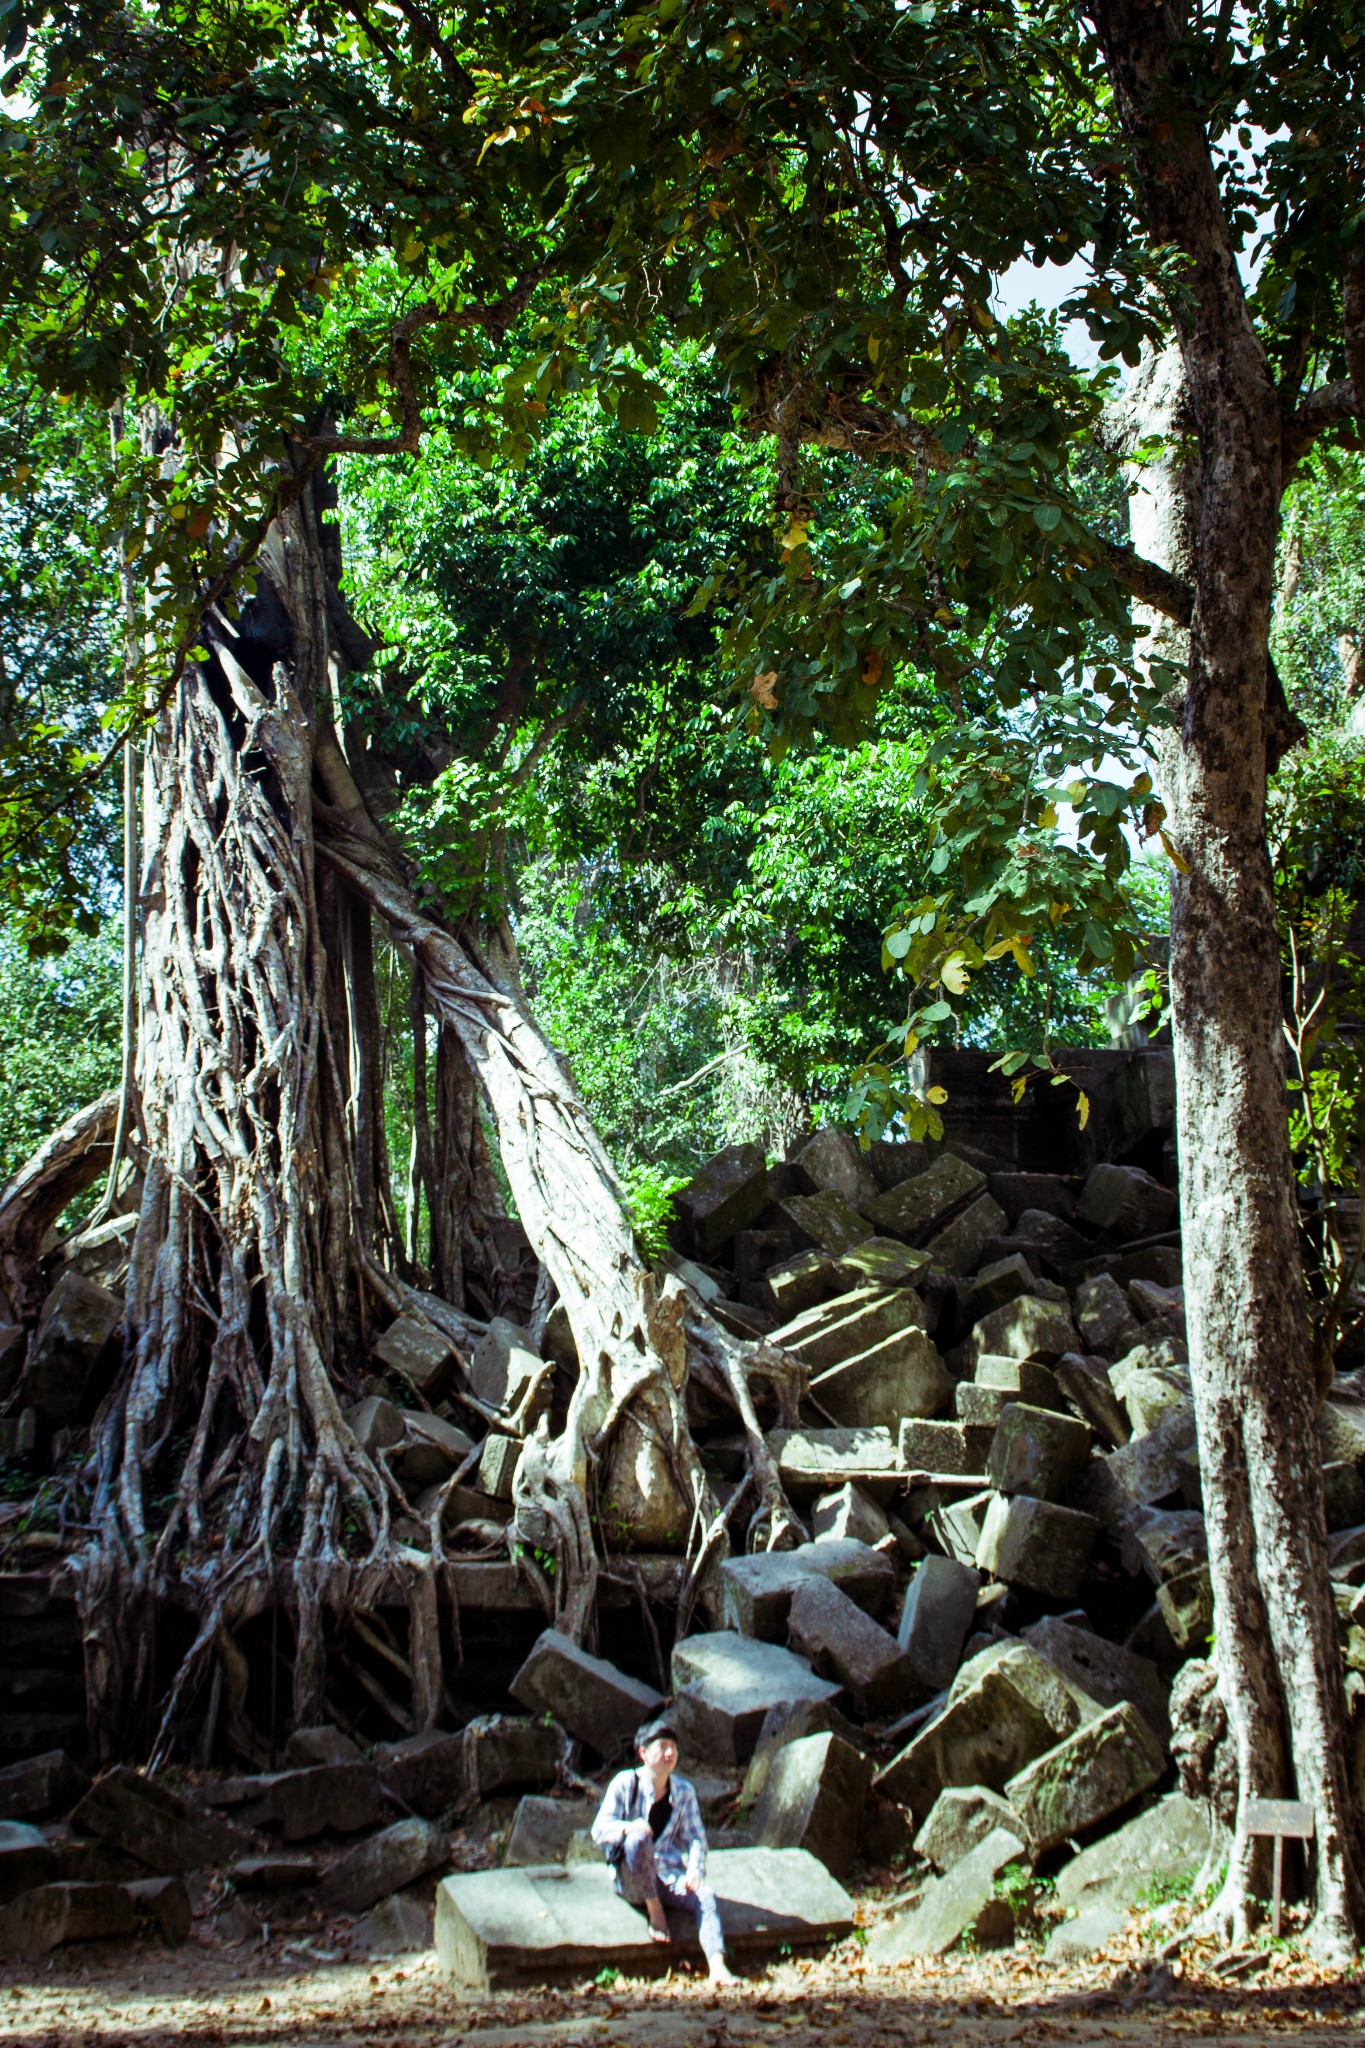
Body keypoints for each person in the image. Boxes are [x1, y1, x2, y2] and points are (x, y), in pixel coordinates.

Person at [591, 1714, 739, 1987]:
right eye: (663, 1747)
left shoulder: (683, 1791)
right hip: (632, 1877)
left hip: (669, 1875)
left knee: (705, 1896)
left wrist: (695, 1869)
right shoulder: (625, 1783)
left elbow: (695, 1837)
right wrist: (628, 1828)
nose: (670, 1753)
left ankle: (717, 1966)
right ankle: (654, 1908)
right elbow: (599, 1829)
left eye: (673, 1747)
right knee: (638, 1840)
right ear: (644, 1753)